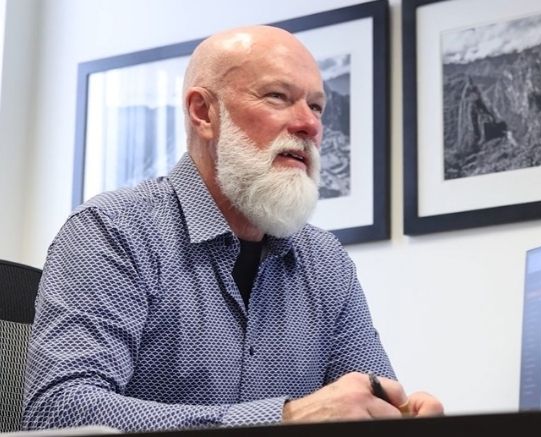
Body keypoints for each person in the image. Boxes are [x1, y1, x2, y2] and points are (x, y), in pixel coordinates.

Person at [23, 25, 443, 432]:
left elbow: (366, 402)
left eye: (316, 106)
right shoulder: (112, 231)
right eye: (279, 97)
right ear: (203, 112)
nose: (310, 125)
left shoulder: (326, 262)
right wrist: (285, 418)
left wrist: (398, 415)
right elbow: (59, 410)